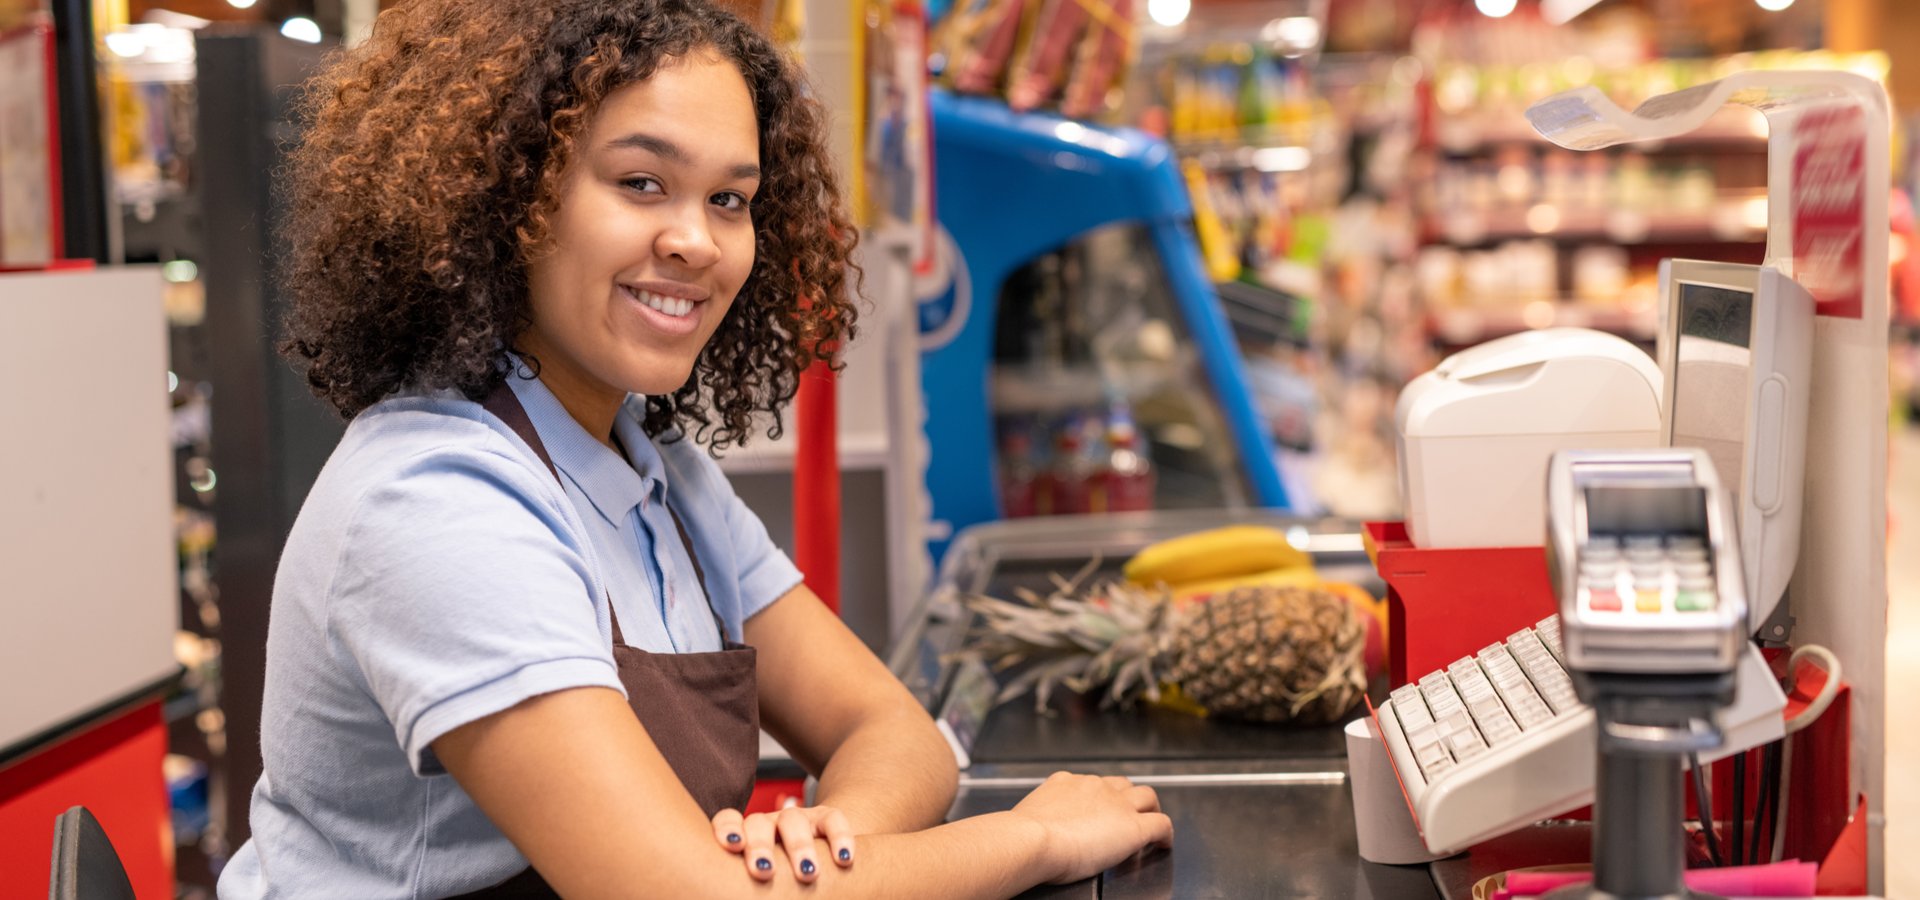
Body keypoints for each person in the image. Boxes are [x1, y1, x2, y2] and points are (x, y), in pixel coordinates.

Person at [215, 0, 1172, 897]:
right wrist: (1037, 835)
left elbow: (892, 727)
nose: (697, 242)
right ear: (505, 194)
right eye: (640, 183)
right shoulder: (434, 502)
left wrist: (828, 840)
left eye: (729, 198)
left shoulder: (652, 466)